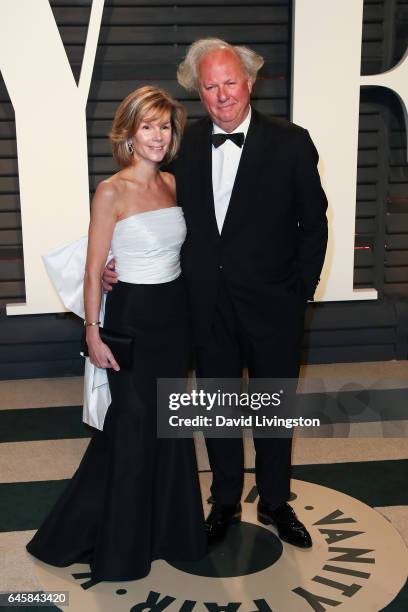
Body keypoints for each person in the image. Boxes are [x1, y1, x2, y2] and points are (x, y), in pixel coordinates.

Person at [103, 39, 328, 549]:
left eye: (230, 83)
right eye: (210, 86)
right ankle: (224, 499)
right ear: (198, 91)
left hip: (274, 306)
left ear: (250, 83)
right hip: (203, 307)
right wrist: (111, 261)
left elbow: (313, 226)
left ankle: (275, 501)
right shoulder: (182, 145)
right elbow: (143, 204)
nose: (222, 94)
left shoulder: (291, 142)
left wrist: (300, 294)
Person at [26, 86, 207, 581]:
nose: (156, 135)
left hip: (173, 318)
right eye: (146, 126)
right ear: (128, 133)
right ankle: (114, 548)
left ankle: (170, 532)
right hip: (130, 319)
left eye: (164, 126)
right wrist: (93, 332)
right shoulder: (111, 190)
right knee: (131, 427)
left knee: (167, 426)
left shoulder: (172, 182)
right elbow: (91, 270)